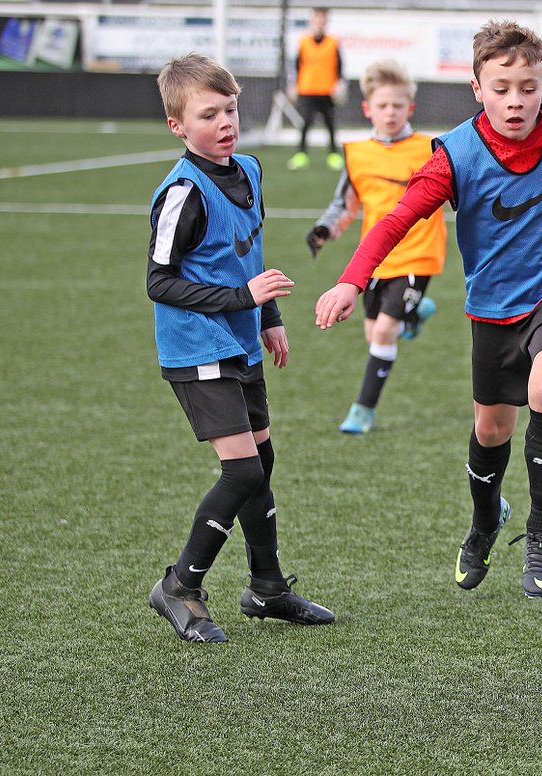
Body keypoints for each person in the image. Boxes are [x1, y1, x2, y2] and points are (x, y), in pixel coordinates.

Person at [315, 20, 542, 599]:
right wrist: (352, 280)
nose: (516, 100)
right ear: (477, 87)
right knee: (490, 428)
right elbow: (396, 220)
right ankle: (483, 521)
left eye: (528, 86)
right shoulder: (455, 155)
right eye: (501, 88)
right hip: (495, 304)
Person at [147, 53, 334, 643]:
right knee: (243, 470)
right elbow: (159, 281)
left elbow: (249, 253)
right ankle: (179, 585)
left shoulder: (250, 169)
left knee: (263, 464)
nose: (225, 122)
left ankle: (267, 588)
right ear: (178, 126)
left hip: (240, 340)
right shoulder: (182, 192)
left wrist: (269, 315)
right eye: (209, 115)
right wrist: (240, 297)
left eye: (230, 109)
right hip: (197, 347)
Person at [307, 59, 447, 434]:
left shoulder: (430, 149)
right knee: (374, 336)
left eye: (397, 106)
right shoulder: (357, 154)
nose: (390, 112)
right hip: (373, 260)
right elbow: (346, 202)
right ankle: (415, 315)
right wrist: (325, 228)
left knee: (384, 333)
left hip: (419, 254)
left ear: (410, 109)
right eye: (382, 106)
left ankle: (362, 410)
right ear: (368, 108)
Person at [288, 7, 344, 171]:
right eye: (317, 20)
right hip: (307, 89)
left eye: (322, 21)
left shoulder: (333, 42)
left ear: (326, 22)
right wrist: (294, 85)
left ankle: (333, 155)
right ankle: (301, 154)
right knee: (305, 122)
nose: (319, 24)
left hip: (327, 90)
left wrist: (339, 83)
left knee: (330, 123)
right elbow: (297, 65)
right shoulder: (303, 41)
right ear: (312, 22)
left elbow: (340, 65)